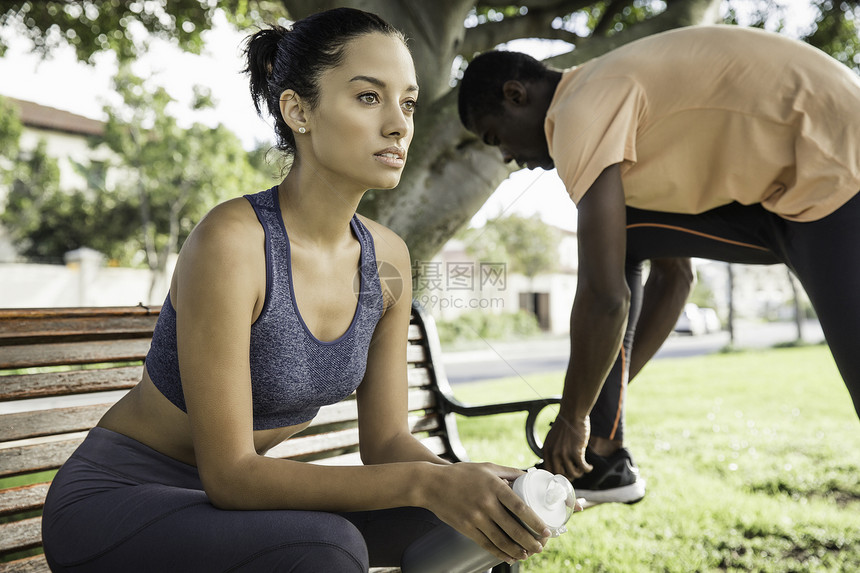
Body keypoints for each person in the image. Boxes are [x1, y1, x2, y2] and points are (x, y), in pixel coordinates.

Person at [41, 8, 553, 572]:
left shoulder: (389, 260)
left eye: (406, 102)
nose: (399, 124)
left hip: (232, 509)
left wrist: (469, 482)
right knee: (327, 548)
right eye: (368, 97)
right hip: (119, 504)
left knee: (480, 525)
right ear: (297, 110)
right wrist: (423, 485)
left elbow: (385, 445)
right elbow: (232, 475)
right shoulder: (233, 243)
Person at [457, 24, 860, 507]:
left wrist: (572, 416)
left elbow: (605, 296)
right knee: (621, 236)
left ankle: (595, 439)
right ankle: (603, 455)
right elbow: (676, 278)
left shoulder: (579, 113)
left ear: (515, 94)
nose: (506, 156)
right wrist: (595, 404)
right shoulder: (604, 108)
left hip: (836, 167)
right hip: (782, 198)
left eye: (495, 136)